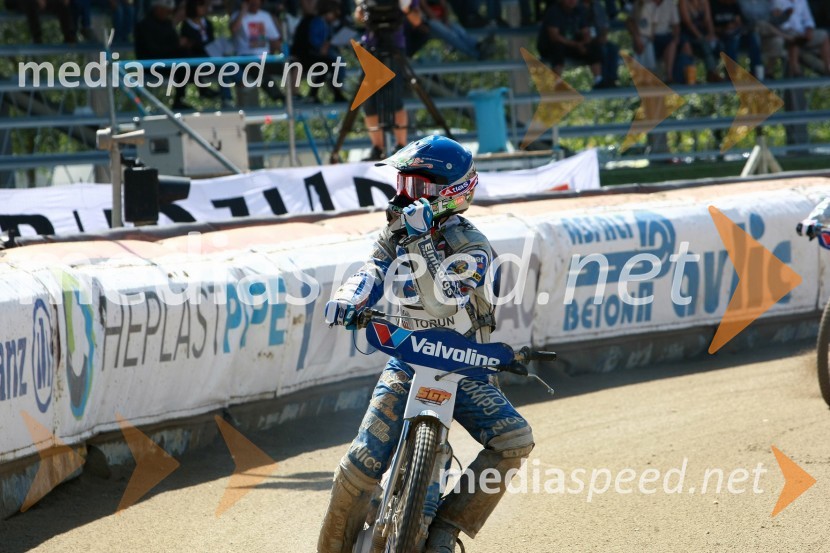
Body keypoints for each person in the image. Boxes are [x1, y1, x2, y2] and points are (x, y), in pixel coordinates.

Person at [318, 135, 534, 553]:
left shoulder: (472, 245)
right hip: (408, 359)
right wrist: (349, 298)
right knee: (360, 465)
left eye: (415, 189)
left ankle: (447, 528)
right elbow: (370, 271)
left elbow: (447, 296)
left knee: (514, 440)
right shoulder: (394, 235)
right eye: (401, 185)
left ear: (448, 194)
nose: (402, 197)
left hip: (463, 363)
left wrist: (419, 241)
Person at [354, 0, 421, 160]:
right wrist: (363, 10)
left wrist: (405, 8)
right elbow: (358, 16)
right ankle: (377, 149)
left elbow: (417, 20)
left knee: (395, 98)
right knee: (369, 101)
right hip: (371, 46)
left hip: (394, 45)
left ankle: (401, 146)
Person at [135, 0, 191, 109]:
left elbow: (174, 43)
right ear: (158, 8)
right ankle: (178, 101)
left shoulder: (167, 24)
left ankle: (180, 99)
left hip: (168, 61)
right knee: (182, 67)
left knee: (187, 60)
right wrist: (175, 46)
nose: (168, 13)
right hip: (151, 65)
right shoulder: (144, 26)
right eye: (166, 11)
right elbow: (153, 50)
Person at [290, 0, 348, 102]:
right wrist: (323, 46)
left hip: (315, 54)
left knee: (332, 64)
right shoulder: (316, 21)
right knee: (328, 65)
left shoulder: (326, 24)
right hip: (306, 55)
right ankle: (316, 94)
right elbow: (313, 41)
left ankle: (334, 93)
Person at [537, 0, 604, 87]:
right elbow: (554, 36)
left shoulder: (580, 10)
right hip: (551, 46)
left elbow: (585, 31)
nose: (572, 1)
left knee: (594, 47)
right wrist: (576, 44)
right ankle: (556, 83)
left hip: (573, 45)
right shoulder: (554, 11)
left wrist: (584, 43)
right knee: (557, 48)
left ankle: (598, 80)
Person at [230, 0, 285, 101]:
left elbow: (275, 40)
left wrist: (286, 55)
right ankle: (278, 96)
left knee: (292, 66)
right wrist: (243, 11)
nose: (254, 3)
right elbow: (233, 30)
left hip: (266, 58)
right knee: (257, 68)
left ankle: (294, 96)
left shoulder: (265, 16)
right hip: (246, 58)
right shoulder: (237, 16)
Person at [626, 0, 681, 82]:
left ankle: (669, 76)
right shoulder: (641, 3)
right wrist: (636, 37)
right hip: (644, 37)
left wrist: (676, 38)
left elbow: (676, 25)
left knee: (672, 44)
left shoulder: (670, 3)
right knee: (644, 42)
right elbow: (630, 21)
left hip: (664, 36)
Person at [771, 0, 830, 75]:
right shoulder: (777, 1)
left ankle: (827, 68)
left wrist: (809, 29)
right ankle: (795, 70)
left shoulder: (802, 1)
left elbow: (808, 19)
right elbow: (775, 20)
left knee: (824, 35)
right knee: (794, 36)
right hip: (784, 34)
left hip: (802, 32)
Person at [710, 0, 764, 78]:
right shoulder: (713, 5)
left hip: (736, 35)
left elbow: (740, 22)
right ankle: (732, 73)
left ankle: (757, 71)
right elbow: (708, 28)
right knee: (733, 40)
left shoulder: (735, 5)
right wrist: (724, 28)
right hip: (721, 38)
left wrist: (736, 25)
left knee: (753, 37)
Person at [679, 0, 721, 81]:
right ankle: (693, 76)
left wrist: (711, 34)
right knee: (703, 45)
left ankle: (714, 72)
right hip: (687, 33)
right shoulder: (683, 2)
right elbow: (688, 22)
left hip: (701, 31)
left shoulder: (704, 1)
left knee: (717, 44)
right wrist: (701, 37)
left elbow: (708, 20)